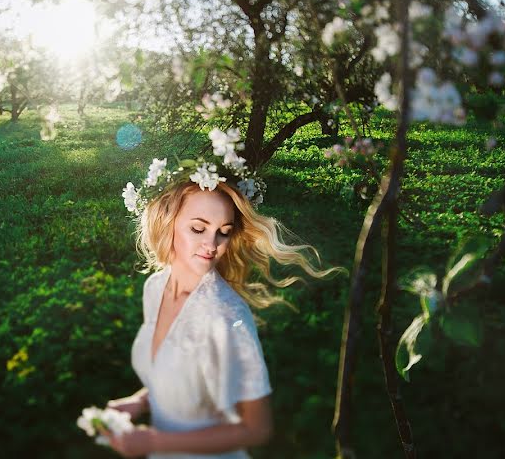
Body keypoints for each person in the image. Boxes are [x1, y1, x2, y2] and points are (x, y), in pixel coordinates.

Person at [102, 177, 338, 458]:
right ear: (167, 221)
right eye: (198, 228)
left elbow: (256, 428)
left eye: (223, 232)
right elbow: (180, 372)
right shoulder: (156, 287)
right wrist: (140, 401)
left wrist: (155, 442)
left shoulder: (225, 316)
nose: (212, 244)